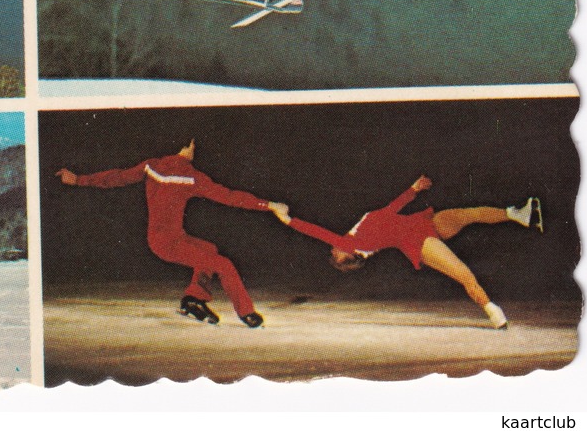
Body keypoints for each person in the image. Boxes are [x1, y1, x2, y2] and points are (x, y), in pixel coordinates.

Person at [57, 139, 288, 327]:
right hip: (170, 244)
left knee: (208, 250)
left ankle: (194, 299)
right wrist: (269, 205)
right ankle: (246, 313)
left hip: (161, 240)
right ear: (189, 148)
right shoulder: (192, 176)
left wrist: (79, 179)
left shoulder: (152, 166)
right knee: (224, 264)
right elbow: (230, 197)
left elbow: (117, 177)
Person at [279, 175, 544, 329]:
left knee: (467, 214)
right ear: (346, 257)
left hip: (421, 223)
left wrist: (413, 190)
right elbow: (314, 231)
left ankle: (518, 214)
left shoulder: (354, 234)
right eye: (334, 255)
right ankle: (493, 312)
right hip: (416, 242)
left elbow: (388, 210)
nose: (332, 249)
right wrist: (287, 219)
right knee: (463, 273)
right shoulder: (351, 243)